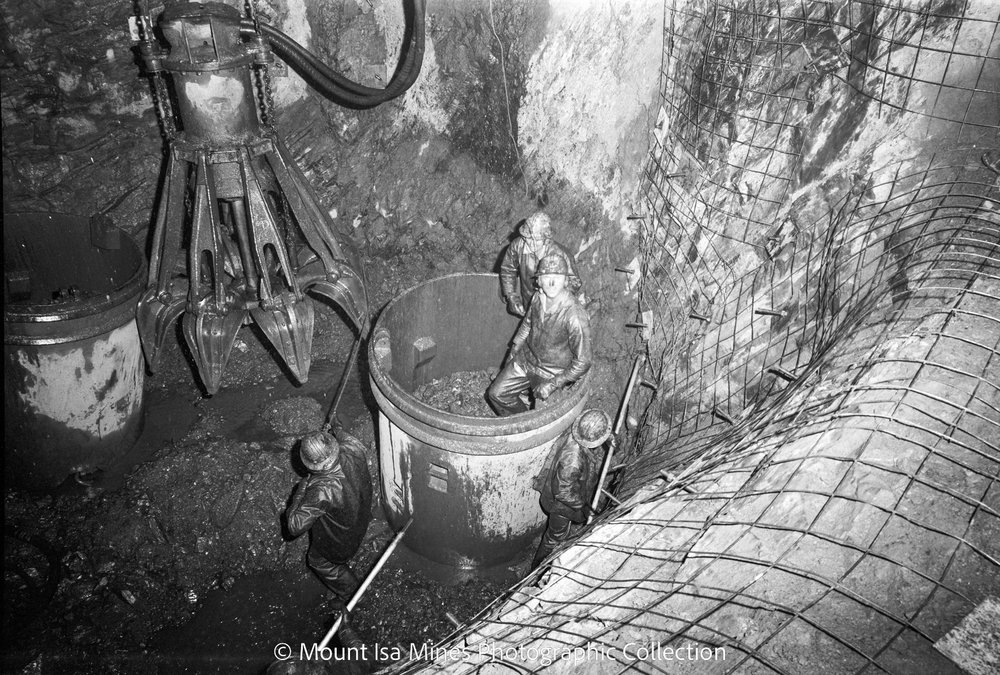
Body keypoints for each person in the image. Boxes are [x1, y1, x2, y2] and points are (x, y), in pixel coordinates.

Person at [286, 428, 373, 648]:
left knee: (318, 561)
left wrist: (302, 488)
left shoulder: (321, 489)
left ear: (310, 464)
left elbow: (294, 526)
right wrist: (331, 430)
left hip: (340, 541)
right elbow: (342, 433)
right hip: (361, 518)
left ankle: (352, 593)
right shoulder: (352, 447)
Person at [487, 254, 592, 416]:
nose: (551, 282)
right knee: (496, 394)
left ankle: (530, 425)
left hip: (552, 372)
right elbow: (527, 324)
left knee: (544, 417)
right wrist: (514, 349)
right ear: (538, 281)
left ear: (566, 281)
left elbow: (583, 362)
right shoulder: (537, 297)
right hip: (526, 360)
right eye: (546, 276)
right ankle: (519, 422)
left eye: (557, 277)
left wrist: (553, 384)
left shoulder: (574, 315)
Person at [532, 408, 612, 570]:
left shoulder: (576, 432)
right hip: (561, 507)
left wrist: (608, 436)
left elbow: (591, 431)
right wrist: (584, 506)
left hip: (569, 490)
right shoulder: (572, 461)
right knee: (554, 538)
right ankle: (537, 569)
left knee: (555, 536)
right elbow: (563, 492)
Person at [500, 211, 581, 317]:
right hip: (528, 304)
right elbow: (508, 269)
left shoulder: (560, 254)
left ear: (546, 240)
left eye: (536, 240)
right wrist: (511, 295)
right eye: (527, 238)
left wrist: (553, 298)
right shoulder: (518, 245)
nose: (530, 243)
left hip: (553, 311)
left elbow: (574, 282)